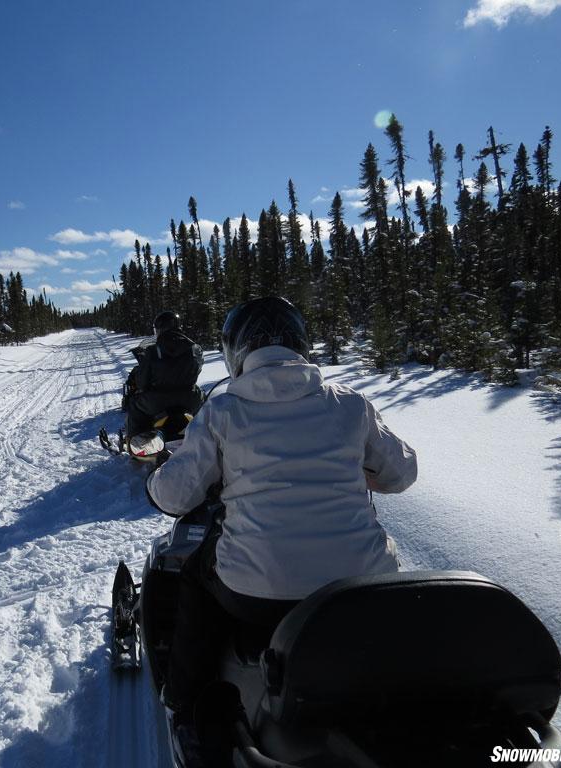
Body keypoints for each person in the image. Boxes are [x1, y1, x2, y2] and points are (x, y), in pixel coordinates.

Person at [145, 296, 417, 757]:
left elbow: (174, 496)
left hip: (258, 596)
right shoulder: (350, 404)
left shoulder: (222, 408)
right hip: (362, 590)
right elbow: (401, 474)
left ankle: (185, 699)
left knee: (195, 575)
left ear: (237, 352)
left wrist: (157, 479)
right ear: (301, 345)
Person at [122, 311, 204, 438]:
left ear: (160, 329)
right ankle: (209, 437)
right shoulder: (193, 348)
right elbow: (197, 370)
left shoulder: (152, 350)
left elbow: (142, 382)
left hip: (157, 401)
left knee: (134, 404)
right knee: (205, 402)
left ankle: (134, 443)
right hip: (190, 399)